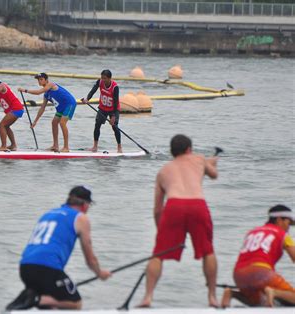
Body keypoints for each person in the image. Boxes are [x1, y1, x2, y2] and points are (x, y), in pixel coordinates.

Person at [138, 134, 219, 308]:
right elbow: (214, 175)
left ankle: (148, 297)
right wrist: (211, 163)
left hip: (174, 206)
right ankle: (212, 297)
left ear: (172, 151)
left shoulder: (163, 171)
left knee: (158, 254)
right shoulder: (199, 159)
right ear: (189, 149)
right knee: (207, 251)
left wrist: (160, 229)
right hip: (197, 205)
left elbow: (158, 209)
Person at [6, 186, 111, 310]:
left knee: (52, 305)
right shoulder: (81, 218)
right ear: (85, 205)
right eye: (89, 205)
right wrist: (100, 273)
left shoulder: (48, 214)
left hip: (25, 268)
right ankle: (36, 299)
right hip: (47, 269)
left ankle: (33, 299)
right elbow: (90, 259)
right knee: (75, 304)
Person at [221, 205, 295, 308]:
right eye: (288, 223)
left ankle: (231, 293)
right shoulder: (283, 235)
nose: (288, 228)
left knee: (259, 303)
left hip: (238, 273)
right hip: (261, 272)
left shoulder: (253, 231)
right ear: (279, 220)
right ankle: (274, 292)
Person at [18, 73, 77, 152]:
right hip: (61, 108)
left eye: (41, 79)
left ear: (46, 80)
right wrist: (35, 121)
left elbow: (38, 92)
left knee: (62, 123)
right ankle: (55, 146)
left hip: (69, 104)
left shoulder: (51, 84)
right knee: (54, 122)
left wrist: (25, 90)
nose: (39, 81)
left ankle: (66, 147)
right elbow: (42, 108)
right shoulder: (46, 94)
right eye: (38, 80)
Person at [82, 69, 122, 153]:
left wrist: (113, 116)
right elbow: (93, 90)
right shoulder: (100, 82)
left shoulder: (115, 87)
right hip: (103, 108)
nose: (103, 80)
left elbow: (115, 101)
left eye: (105, 78)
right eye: (102, 78)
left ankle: (119, 147)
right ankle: (95, 146)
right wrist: (87, 98)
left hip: (113, 109)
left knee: (115, 127)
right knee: (97, 125)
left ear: (109, 78)